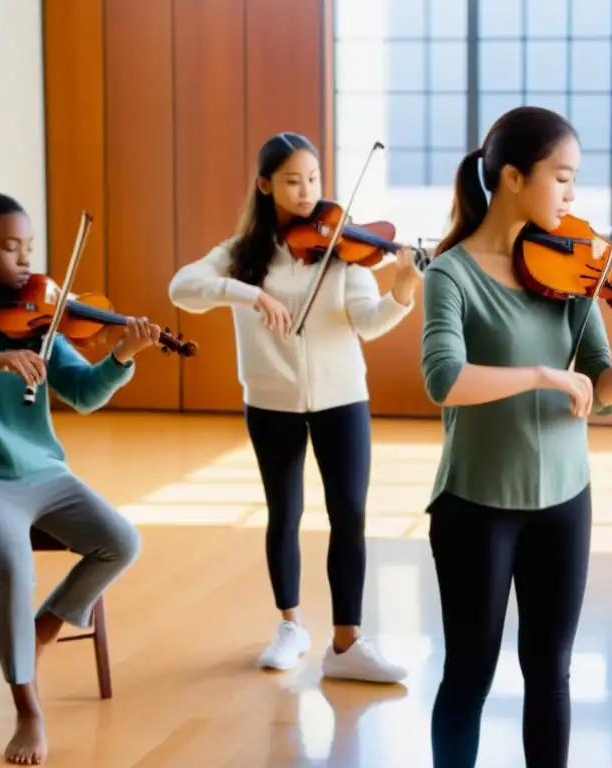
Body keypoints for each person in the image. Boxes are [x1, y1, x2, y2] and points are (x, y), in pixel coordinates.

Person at [419, 105, 612, 768]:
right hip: (476, 507)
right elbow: (444, 380)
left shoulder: (574, 275)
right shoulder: (451, 276)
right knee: (469, 673)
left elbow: (600, 392)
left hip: (563, 504)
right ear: (515, 178)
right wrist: (540, 375)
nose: (574, 195)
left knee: (551, 672)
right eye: (564, 177)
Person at [167, 132, 419, 683]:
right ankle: (290, 625)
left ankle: (347, 643)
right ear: (265, 186)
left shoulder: (344, 251)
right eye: (292, 180)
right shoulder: (241, 254)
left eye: (313, 179)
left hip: (343, 399)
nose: (307, 191)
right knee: (284, 512)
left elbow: (367, 323)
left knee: (348, 513)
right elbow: (181, 288)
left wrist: (400, 293)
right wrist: (249, 293)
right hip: (271, 402)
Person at [0, 192, 150, 765]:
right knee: (11, 564)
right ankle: (28, 708)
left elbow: (83, 394)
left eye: (29, 247)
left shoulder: (38, 314)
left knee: (121, 542)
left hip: (44, 471)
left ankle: (43, 630)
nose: (26, 260)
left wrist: (121, 357)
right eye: (10, 247)